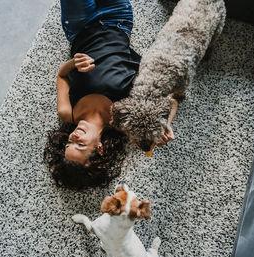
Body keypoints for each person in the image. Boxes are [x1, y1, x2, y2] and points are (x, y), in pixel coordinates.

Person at [44, 0, 175, 190]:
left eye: (68, 144)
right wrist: (166, 124)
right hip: (118, 20)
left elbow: (61, 75)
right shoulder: (126, 121)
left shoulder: (68, 113)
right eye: (79, 145)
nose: (74, 137)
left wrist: (74, 63)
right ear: (99, 149)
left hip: (79, 27)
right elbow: (169, 97)